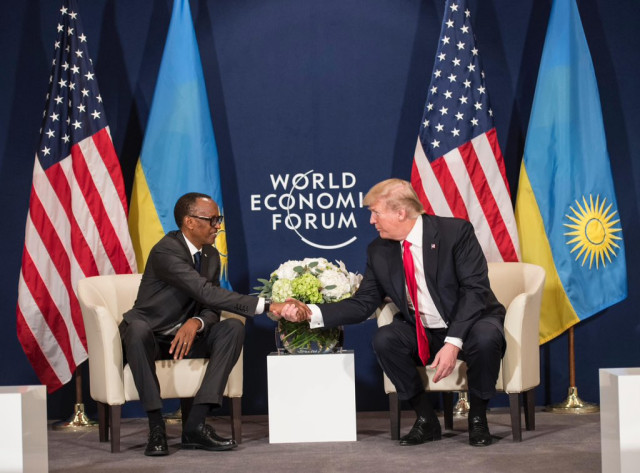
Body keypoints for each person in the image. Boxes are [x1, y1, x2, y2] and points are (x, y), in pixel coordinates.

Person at [282, 178, 506, 447]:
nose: (371, 221)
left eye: (376, 213)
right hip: (423, 330)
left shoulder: (455, 233)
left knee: (485, 337)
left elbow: (474, 291)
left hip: (471, 323)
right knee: (385, 339)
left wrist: (453, 341)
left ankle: (478, 418)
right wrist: (310, 313)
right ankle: (425, 418)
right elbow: (363, 303)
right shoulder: (379, 251)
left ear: (401, 212)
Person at [120, 192, 307, 456]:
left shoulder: (209, 255)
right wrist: (268, 305)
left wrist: (196, 322)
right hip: (150, 336)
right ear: (190, 222)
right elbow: (205, 292)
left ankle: (195, 425)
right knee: (137, 329)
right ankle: (156, 427)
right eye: (212, 220)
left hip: (186, 337)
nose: (218, 226)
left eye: (218, 219)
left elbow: (210, 306)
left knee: (233, 328)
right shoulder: (166, 251)